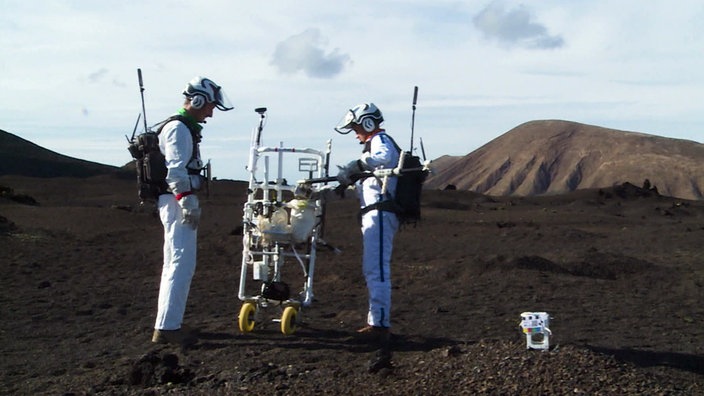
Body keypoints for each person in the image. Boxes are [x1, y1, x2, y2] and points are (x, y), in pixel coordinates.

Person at [151, 76, 233, 347]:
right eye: (209, 105)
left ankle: (169, 323)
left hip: (174, 199)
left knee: (175, 262)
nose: (210, 112)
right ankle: (167, 328)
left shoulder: (182, 128)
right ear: (197, 100)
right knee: (180, 263)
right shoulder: (178, 129)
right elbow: (175, 169)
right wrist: (186, 200)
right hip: (176, 201)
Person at [334, 103, 400, 370]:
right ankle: (377, 321)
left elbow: (384, 158)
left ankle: (380, 325)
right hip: (374, 214)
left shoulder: (380, 141)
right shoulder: (373, 145)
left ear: (369, 124)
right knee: (372, 268)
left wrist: (356, 166)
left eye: (357, 128)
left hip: (381, 214)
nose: (355, 134)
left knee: (377, 270)